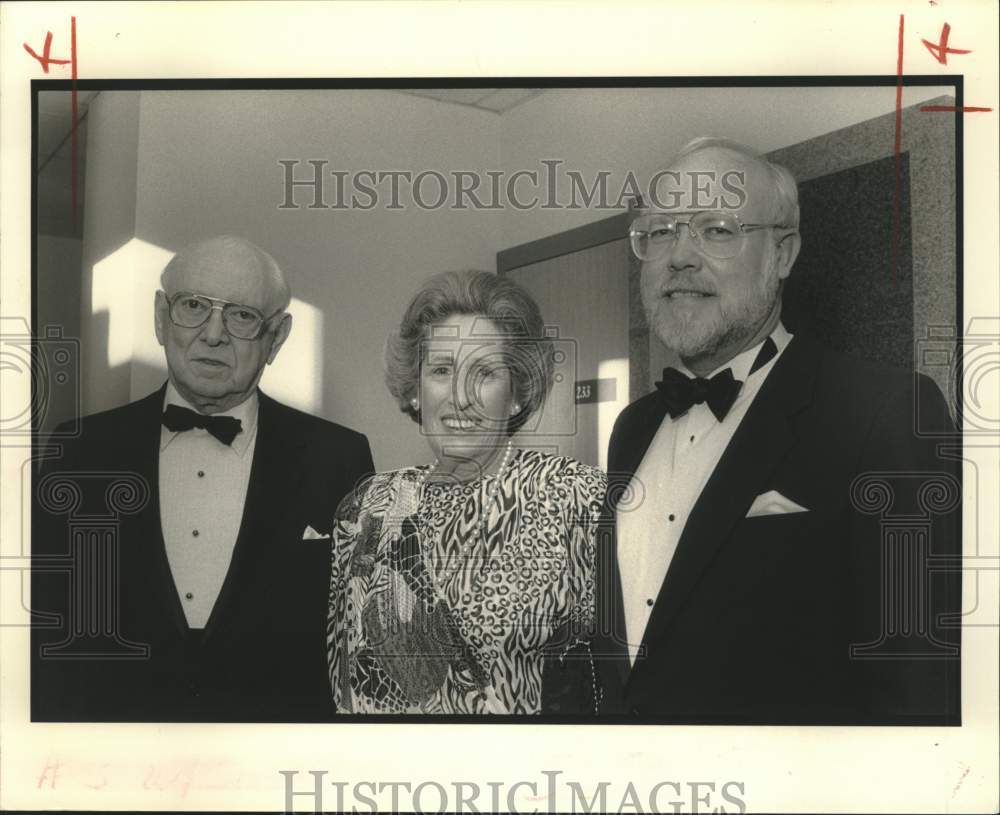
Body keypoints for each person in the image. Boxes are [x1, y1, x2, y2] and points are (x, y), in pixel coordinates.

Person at [593, 137, 960, 723]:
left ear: (783, 253)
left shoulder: (885, 411)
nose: (679, 256)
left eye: (716, 229)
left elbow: (918, 681)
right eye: (659, 232)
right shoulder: (632, 429)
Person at [32, 235, 374, 722]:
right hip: (116, 762)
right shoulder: (80, 451)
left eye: (241, 316)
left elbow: (361, 643)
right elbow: (46, 631)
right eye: (193, 306)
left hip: (275, 763)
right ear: (159, 317)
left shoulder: (338, 458)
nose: (213, 334)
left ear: (276, 337)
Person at [327, 270, 606, 715]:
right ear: (416, 389)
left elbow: (619, 676)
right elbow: (342, 680)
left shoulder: (578, 497)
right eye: (441, 370)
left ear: (515, 394)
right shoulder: (369, 506)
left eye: (485, 373)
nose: (460, 396)